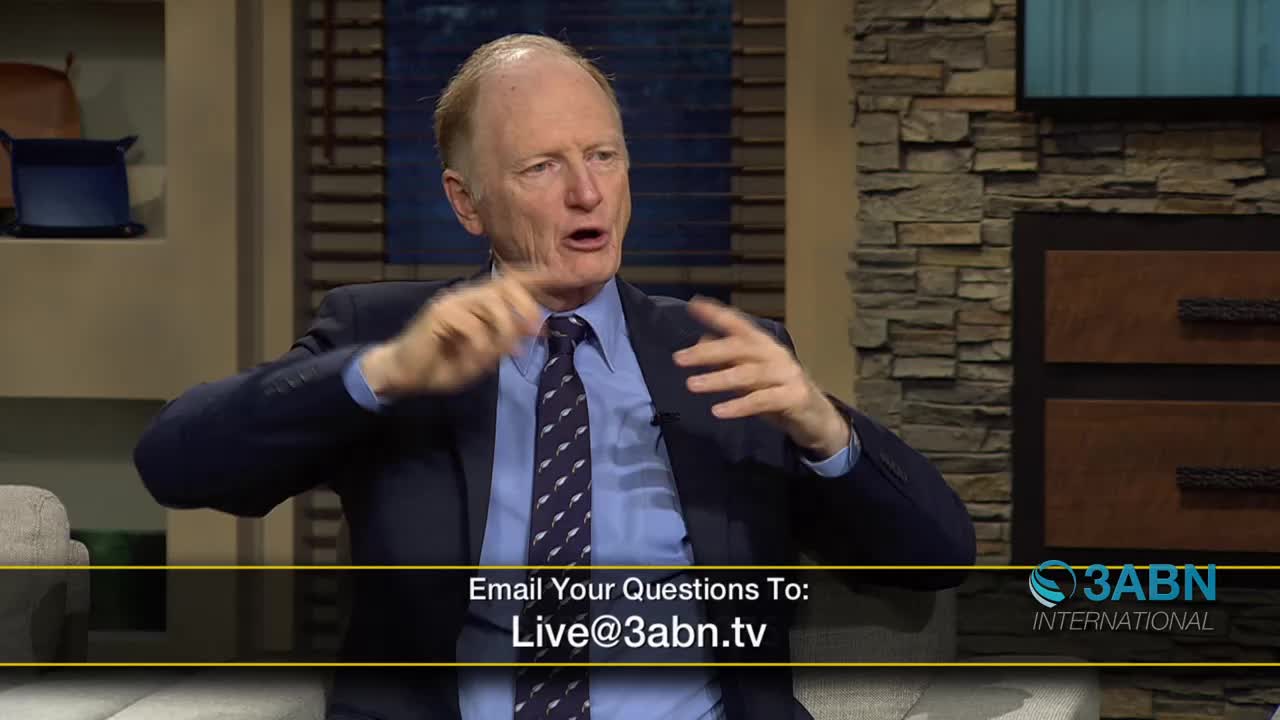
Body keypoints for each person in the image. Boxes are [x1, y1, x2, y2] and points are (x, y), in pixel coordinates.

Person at [134, 33, 975, 720]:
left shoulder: (726, 354)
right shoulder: (388, 337)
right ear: (468, 204)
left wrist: (822, 425)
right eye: (542, 167)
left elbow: (937, 556)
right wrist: (379, 376)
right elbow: (174, 462)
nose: (587, 194)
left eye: (604, 156)